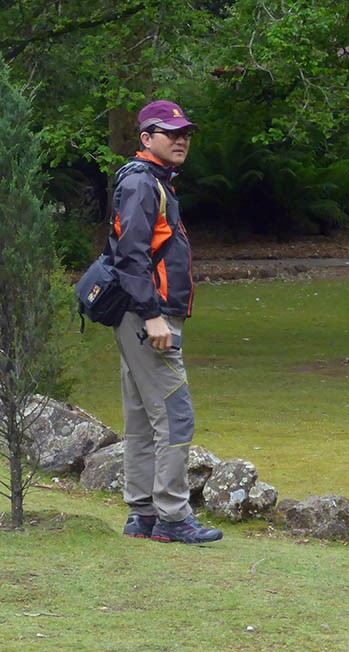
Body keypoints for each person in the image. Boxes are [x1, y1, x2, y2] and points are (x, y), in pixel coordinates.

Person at [114, 100, 222, 544]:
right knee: (175, 416)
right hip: (147, 317)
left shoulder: (151, 181)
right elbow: (130, 256)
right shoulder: (144, 183)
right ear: (146, 138)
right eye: (170, 132)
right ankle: (173, 518)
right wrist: (153, 315)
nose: (181, 140)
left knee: (141, 419)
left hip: (134, 315)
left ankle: (142, 515)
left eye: (186, 134)